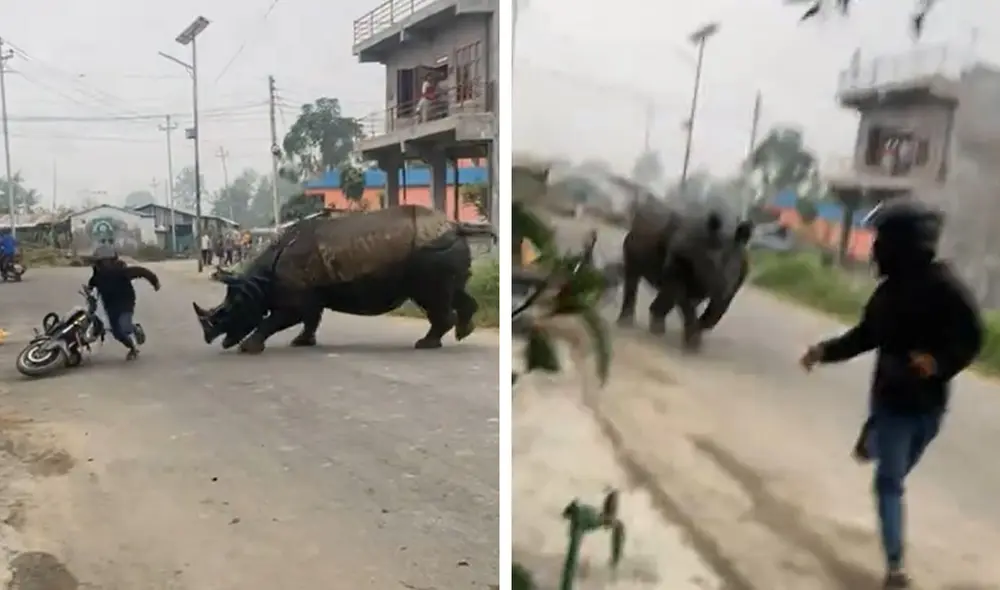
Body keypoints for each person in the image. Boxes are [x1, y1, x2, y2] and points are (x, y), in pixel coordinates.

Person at [799, 199, 983, 589]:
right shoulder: (887, 295)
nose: (875, 248)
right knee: (889, 482)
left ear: (904, 244)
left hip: (929, 408)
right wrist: (824, 352)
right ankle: (896, 568)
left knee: (896, 466)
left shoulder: (945, 288)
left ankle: (874, 437)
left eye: (882, 239)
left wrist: (938, 363)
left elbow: (972, 337)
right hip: (892, 400)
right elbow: (865, 336)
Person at [86, 245, 161, 361]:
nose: (104, 265)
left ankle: (135, 329)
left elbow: (142, 272)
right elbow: (90, 287)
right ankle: (132, 348)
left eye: (107, 262)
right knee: (117, 333)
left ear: (112, 261)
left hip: (125, 303)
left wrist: (155, 282)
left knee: (125, 326)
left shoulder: (122, 271)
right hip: (110, 306)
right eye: (101, 262)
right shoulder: (97, 277)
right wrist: (89, 293)